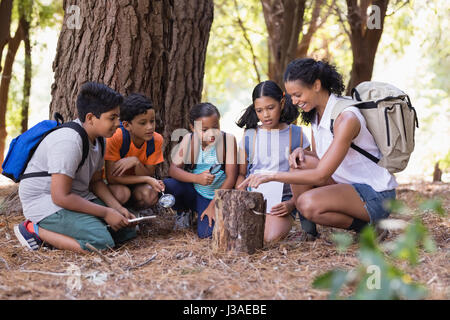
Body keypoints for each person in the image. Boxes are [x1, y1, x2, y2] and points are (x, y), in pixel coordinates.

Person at [238, 58, 397, 236]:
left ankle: (369, 230)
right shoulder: (317, 114)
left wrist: (271, 176)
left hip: (375, 194)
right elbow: (323, 156)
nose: (294, 101)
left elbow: (321, 175)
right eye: (291, 96)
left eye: (298, 95)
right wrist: (302, 151)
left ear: (316, 85)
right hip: (348, 186)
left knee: (306, 204)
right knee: (299, 162)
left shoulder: (346, 118)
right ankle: (309, 232)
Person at [14, 82, 137, 253]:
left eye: (118, 117)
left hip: (75, 196)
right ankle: (33, 229)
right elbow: (60, 197)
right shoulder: (69, 142)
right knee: (101, 243)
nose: (118, 123)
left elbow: (96, 182)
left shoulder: (99, 139)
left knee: (127, 229)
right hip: (46, 202)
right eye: (112, 117)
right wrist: (106, 213)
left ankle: (73, 230)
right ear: (90, 118)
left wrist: (117, 208)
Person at [235, 80, 314, 242]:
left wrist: (292, 203)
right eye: (259, 110)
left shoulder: (296, 134)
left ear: (282, 103)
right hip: (254, 197)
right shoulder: (250, 134)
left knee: (270, 238)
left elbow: (309, 175)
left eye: (271, 108)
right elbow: (242, 173)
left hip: (283, 200)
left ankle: (297, 227)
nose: (266, 115)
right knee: (247, 235)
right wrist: (241, 193)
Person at [164, 102, 238, 238]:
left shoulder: (228, 141)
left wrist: (214, 204)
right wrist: (196, 178)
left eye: (215, 127)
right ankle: (184, 211)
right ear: (193, 128)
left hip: (215, 196)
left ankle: (206, 211)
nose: (211, 134)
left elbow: (231, 178)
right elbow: (173, 170)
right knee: (168, 185)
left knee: (206, 234)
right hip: (195, 192)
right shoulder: (189, 140)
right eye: (204, 130)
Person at [104, 93, 165, 209]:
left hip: (136, 184)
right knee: (122, 194)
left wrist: (136, 162)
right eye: (143, 123)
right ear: (127, 125)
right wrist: (147, 179)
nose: (150, 127)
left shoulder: (156, 140)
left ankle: (133, 214)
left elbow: (149, 174)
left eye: (152, 121)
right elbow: (111, 178)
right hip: (113, 185)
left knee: (150, 194)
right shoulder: (116, 137)